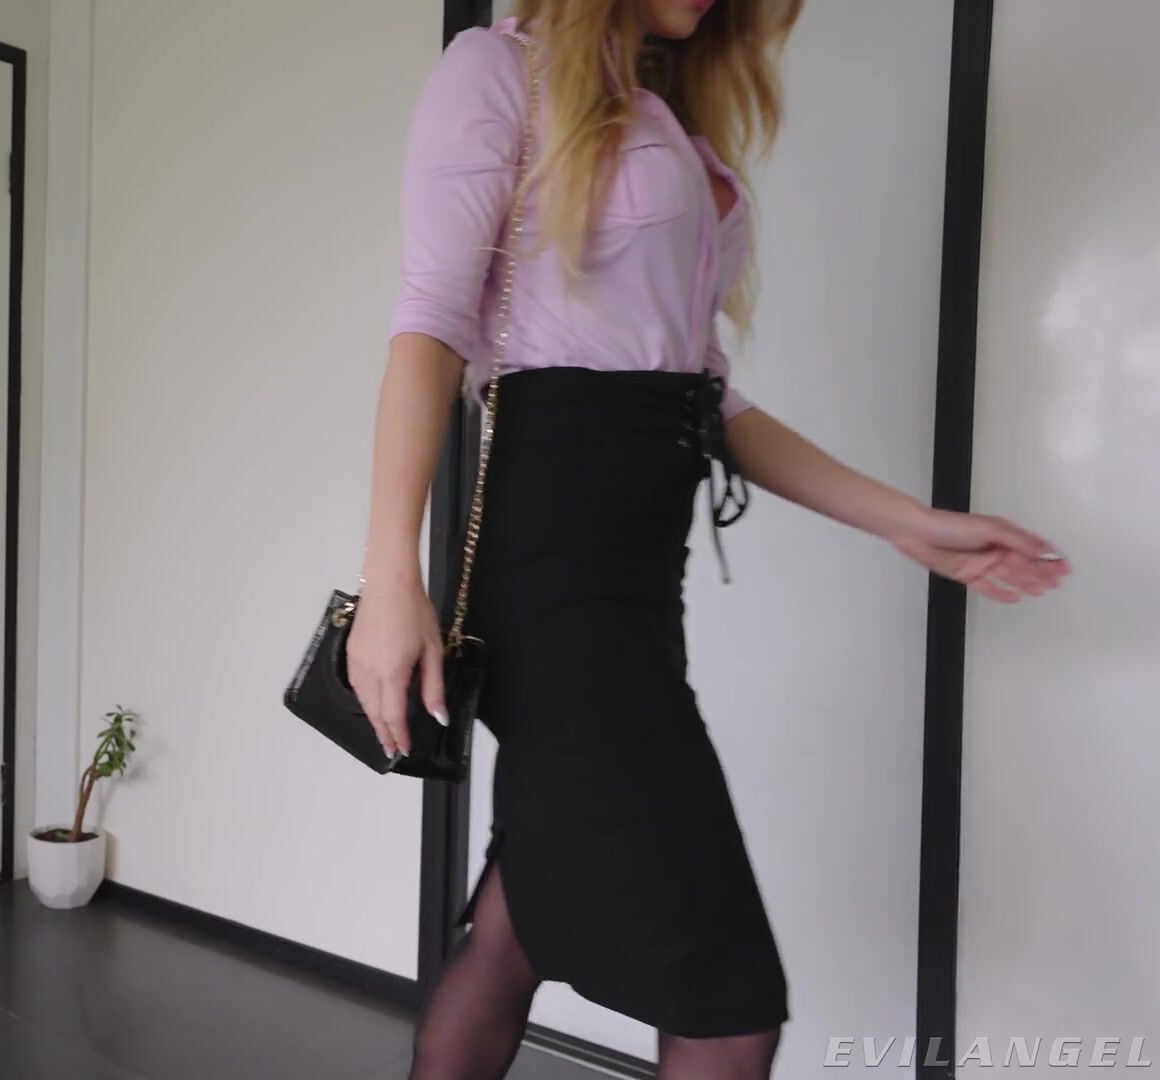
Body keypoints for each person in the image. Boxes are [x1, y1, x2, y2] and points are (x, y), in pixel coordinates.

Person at [347, 1, 1072, 1077]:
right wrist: (388, 578)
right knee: (729, 1008)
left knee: (513, 930)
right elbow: (430, 323)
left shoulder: (665, 114)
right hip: (553, 558)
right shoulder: (496, 72)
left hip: (640, 570)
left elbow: (709, 400)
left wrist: (912, 525)